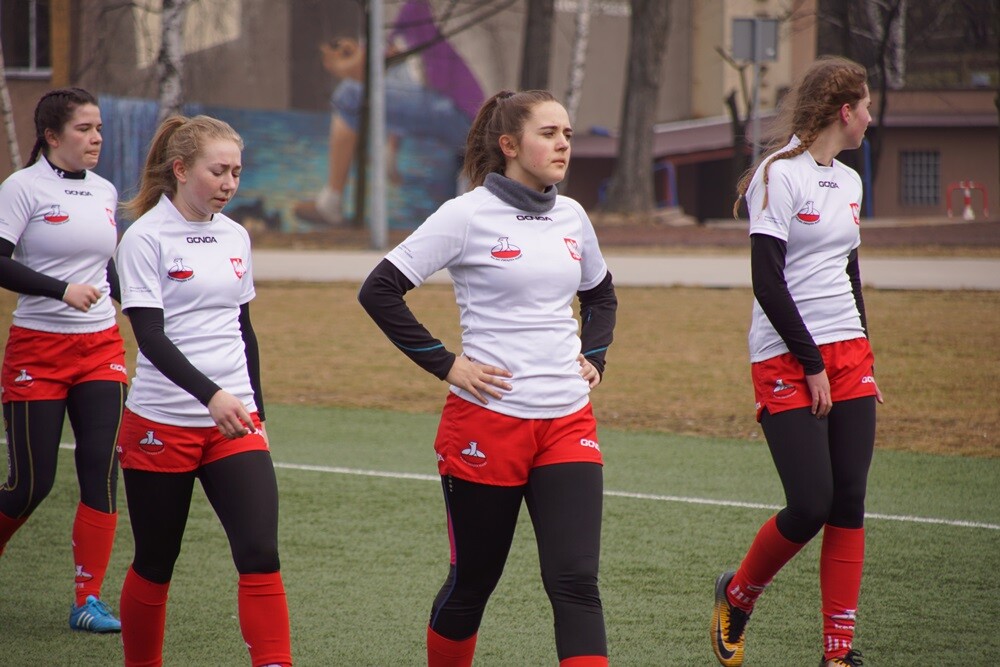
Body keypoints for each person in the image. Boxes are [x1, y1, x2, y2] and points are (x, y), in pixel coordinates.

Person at [359, 89, 617, 667]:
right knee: (473, 583)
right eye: (548, 133)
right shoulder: (466, 214)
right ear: (509, 145)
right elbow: (379, 290)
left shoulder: (573, 216)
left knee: (576, 583)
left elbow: (600, 295)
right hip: (486, 423)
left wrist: (595, 357)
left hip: (567, 422)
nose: (563, 144)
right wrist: (447, 364)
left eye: (567, 134)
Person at [710, 56, 883, 667]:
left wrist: (864, 354)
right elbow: (767, 281)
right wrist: (811, 364)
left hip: (849, 352)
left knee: (849, 501)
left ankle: (838, 653)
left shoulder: (851, 181)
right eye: (866, 106)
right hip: (786, 355)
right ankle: (738, 595)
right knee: (811, 503)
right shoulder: (779, 174)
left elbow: (849, 273)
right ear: (845, 110)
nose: (871, 117)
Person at [114, 115, 291, 667]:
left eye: (237, 172)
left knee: (260, 552)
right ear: (181, 169)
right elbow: (150, 337)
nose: (229, 183)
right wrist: (210, 395)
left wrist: (256, 409)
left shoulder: (236, 235)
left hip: (235, 422)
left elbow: (243, 329)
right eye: (219, 171)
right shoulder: (144, 237)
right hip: (161, 423)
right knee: (156, 560)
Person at [0, 87, 126, 633]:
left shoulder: (104, 190)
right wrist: (60, 290)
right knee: (31, 485)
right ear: (52, 136)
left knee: (101, 474)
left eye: (99, 128)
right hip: (38, 349)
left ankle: (87, 599)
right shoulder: (21, 188)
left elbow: (106, 265)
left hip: (101, 349)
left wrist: (134, 303)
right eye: (83, 129)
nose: (96, 138)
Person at [295, 0, 483, 227]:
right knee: (380, 80)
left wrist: (345, 63)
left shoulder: (401, 9)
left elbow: (369, 72)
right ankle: (466, 218)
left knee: (350, 93)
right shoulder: (411, 17)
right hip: (468, 119)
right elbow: (397, 80)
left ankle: (331, 201)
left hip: (459, 112)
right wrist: (392, 149)